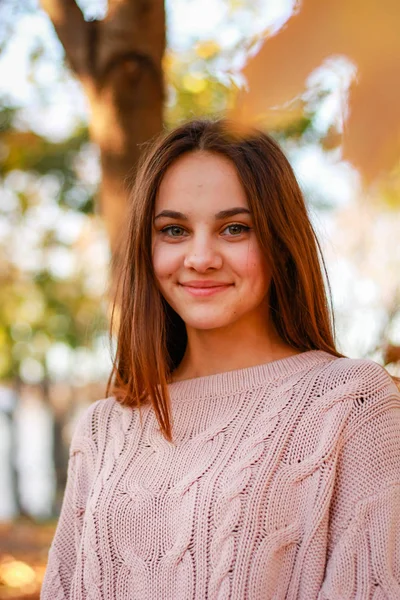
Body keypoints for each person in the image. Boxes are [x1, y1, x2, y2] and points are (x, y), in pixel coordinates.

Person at [41, 119, 400, 599]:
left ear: (279, 239)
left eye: (235, 228)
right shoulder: (104, 428)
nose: (201, 257)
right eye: (174, 230)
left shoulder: (350, 402)